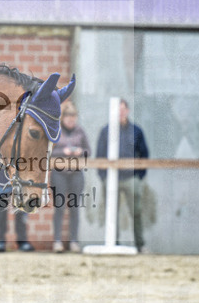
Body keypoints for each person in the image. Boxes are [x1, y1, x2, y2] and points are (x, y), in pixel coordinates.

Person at [96, 98, 149, 252]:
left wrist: (139, 175)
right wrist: (103, 176)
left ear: (128, 111)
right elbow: (100, 154)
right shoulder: (106, 131)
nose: (120, 113)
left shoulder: (136, 131)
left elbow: (144, 154)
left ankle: (140, 245)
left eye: (123, 110)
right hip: (111, 178)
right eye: (117, 111)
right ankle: (114, 243)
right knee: (111, 213)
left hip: (130, 178)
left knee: (136, 212)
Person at [50, 100, 91, 252]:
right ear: (63, 118)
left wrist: (80, 152)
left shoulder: (80, 131)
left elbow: (89, 151)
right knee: (59, 207)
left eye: (73, 116)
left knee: (74, 208)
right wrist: (64, 152)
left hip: (76, 174)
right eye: (68, 116)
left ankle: (74, 241)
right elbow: (49, 153)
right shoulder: (56, 131)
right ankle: (58, 241)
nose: (71, 119)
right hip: (58, 174)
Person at [0, 163, 34, 252]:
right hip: (2, 179)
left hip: (20, 179)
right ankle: (0, 242)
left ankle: (22, 242)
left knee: (21, 212)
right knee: (1, 214)